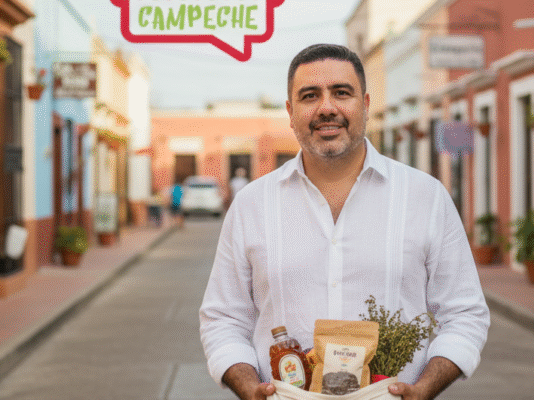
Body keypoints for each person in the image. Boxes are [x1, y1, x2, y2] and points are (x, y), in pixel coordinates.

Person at [199, 43, 490, 400]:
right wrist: (248, 387)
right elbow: (223, 319)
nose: (326, 108)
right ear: (290, 113)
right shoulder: (251, 205)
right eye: (309, 96)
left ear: (365, 105)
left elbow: (465, 313)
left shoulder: (425, 197)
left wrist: (424, 388)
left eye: (341, 92)